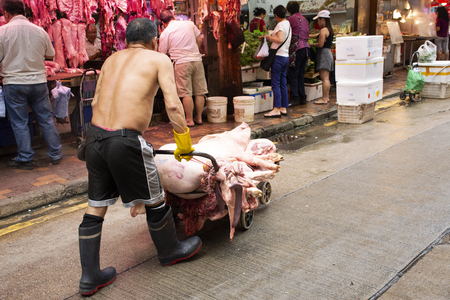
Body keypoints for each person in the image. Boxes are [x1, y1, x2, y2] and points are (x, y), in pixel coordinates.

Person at [77, 18, 202, 296]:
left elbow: (96, 101)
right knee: (155, 197)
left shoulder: (110, 60)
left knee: (96, 206)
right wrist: (183, 141)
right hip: (125, 140)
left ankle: (90, 277)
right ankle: (170, 250)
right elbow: (172, 103)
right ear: (154, 40)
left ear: (126, 39)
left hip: (95, 138)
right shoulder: (159, 59)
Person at [0, 0, 63, 170]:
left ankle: (25, 158)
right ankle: (56, 154)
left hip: (14, 83)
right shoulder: (39, 30)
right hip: (38, 82)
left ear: (6, 13)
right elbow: (50, 54)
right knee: (46, 118)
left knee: (20, 122)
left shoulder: (2, 32)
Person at [159, 10, 208, 127]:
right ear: (173, 16)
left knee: (186, 92)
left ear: (162, 22)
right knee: (200, 91)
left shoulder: (166, 32)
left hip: (181, 63)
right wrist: (194, 49)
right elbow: (200, 39)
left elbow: (162, 53)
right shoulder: (189, 24)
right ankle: (199, 117)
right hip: (197, 60)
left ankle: (189, 119)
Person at [262, 5, 292, 118]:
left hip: (278, 57)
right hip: (285, 56)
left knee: (275, 83)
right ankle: (283, 107)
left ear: (276, 15)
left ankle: (276, 109)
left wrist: (268, 37)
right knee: (283, 82)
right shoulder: (287, 24)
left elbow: (280, 39)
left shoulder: (280, 24)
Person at [286, 1, 310, 106]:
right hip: (306, 47)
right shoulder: (304, 19)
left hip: (297, 48)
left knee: (293, 73)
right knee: (300, 73)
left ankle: (295, 98)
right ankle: (302, 97)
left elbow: (286, 33)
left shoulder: (290, 19)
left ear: (288, 10)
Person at [310, 10, 334, 105]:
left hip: (323, 54)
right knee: (326, 78)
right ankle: (326, 97)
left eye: (318, 20)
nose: (318, 23)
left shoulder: (323, 30)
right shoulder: (329, 29)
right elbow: (317, 35)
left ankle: (324, 98)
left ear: (322, 20)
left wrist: (311, 44)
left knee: (324, 78)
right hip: (327, 54)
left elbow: (320, 44)